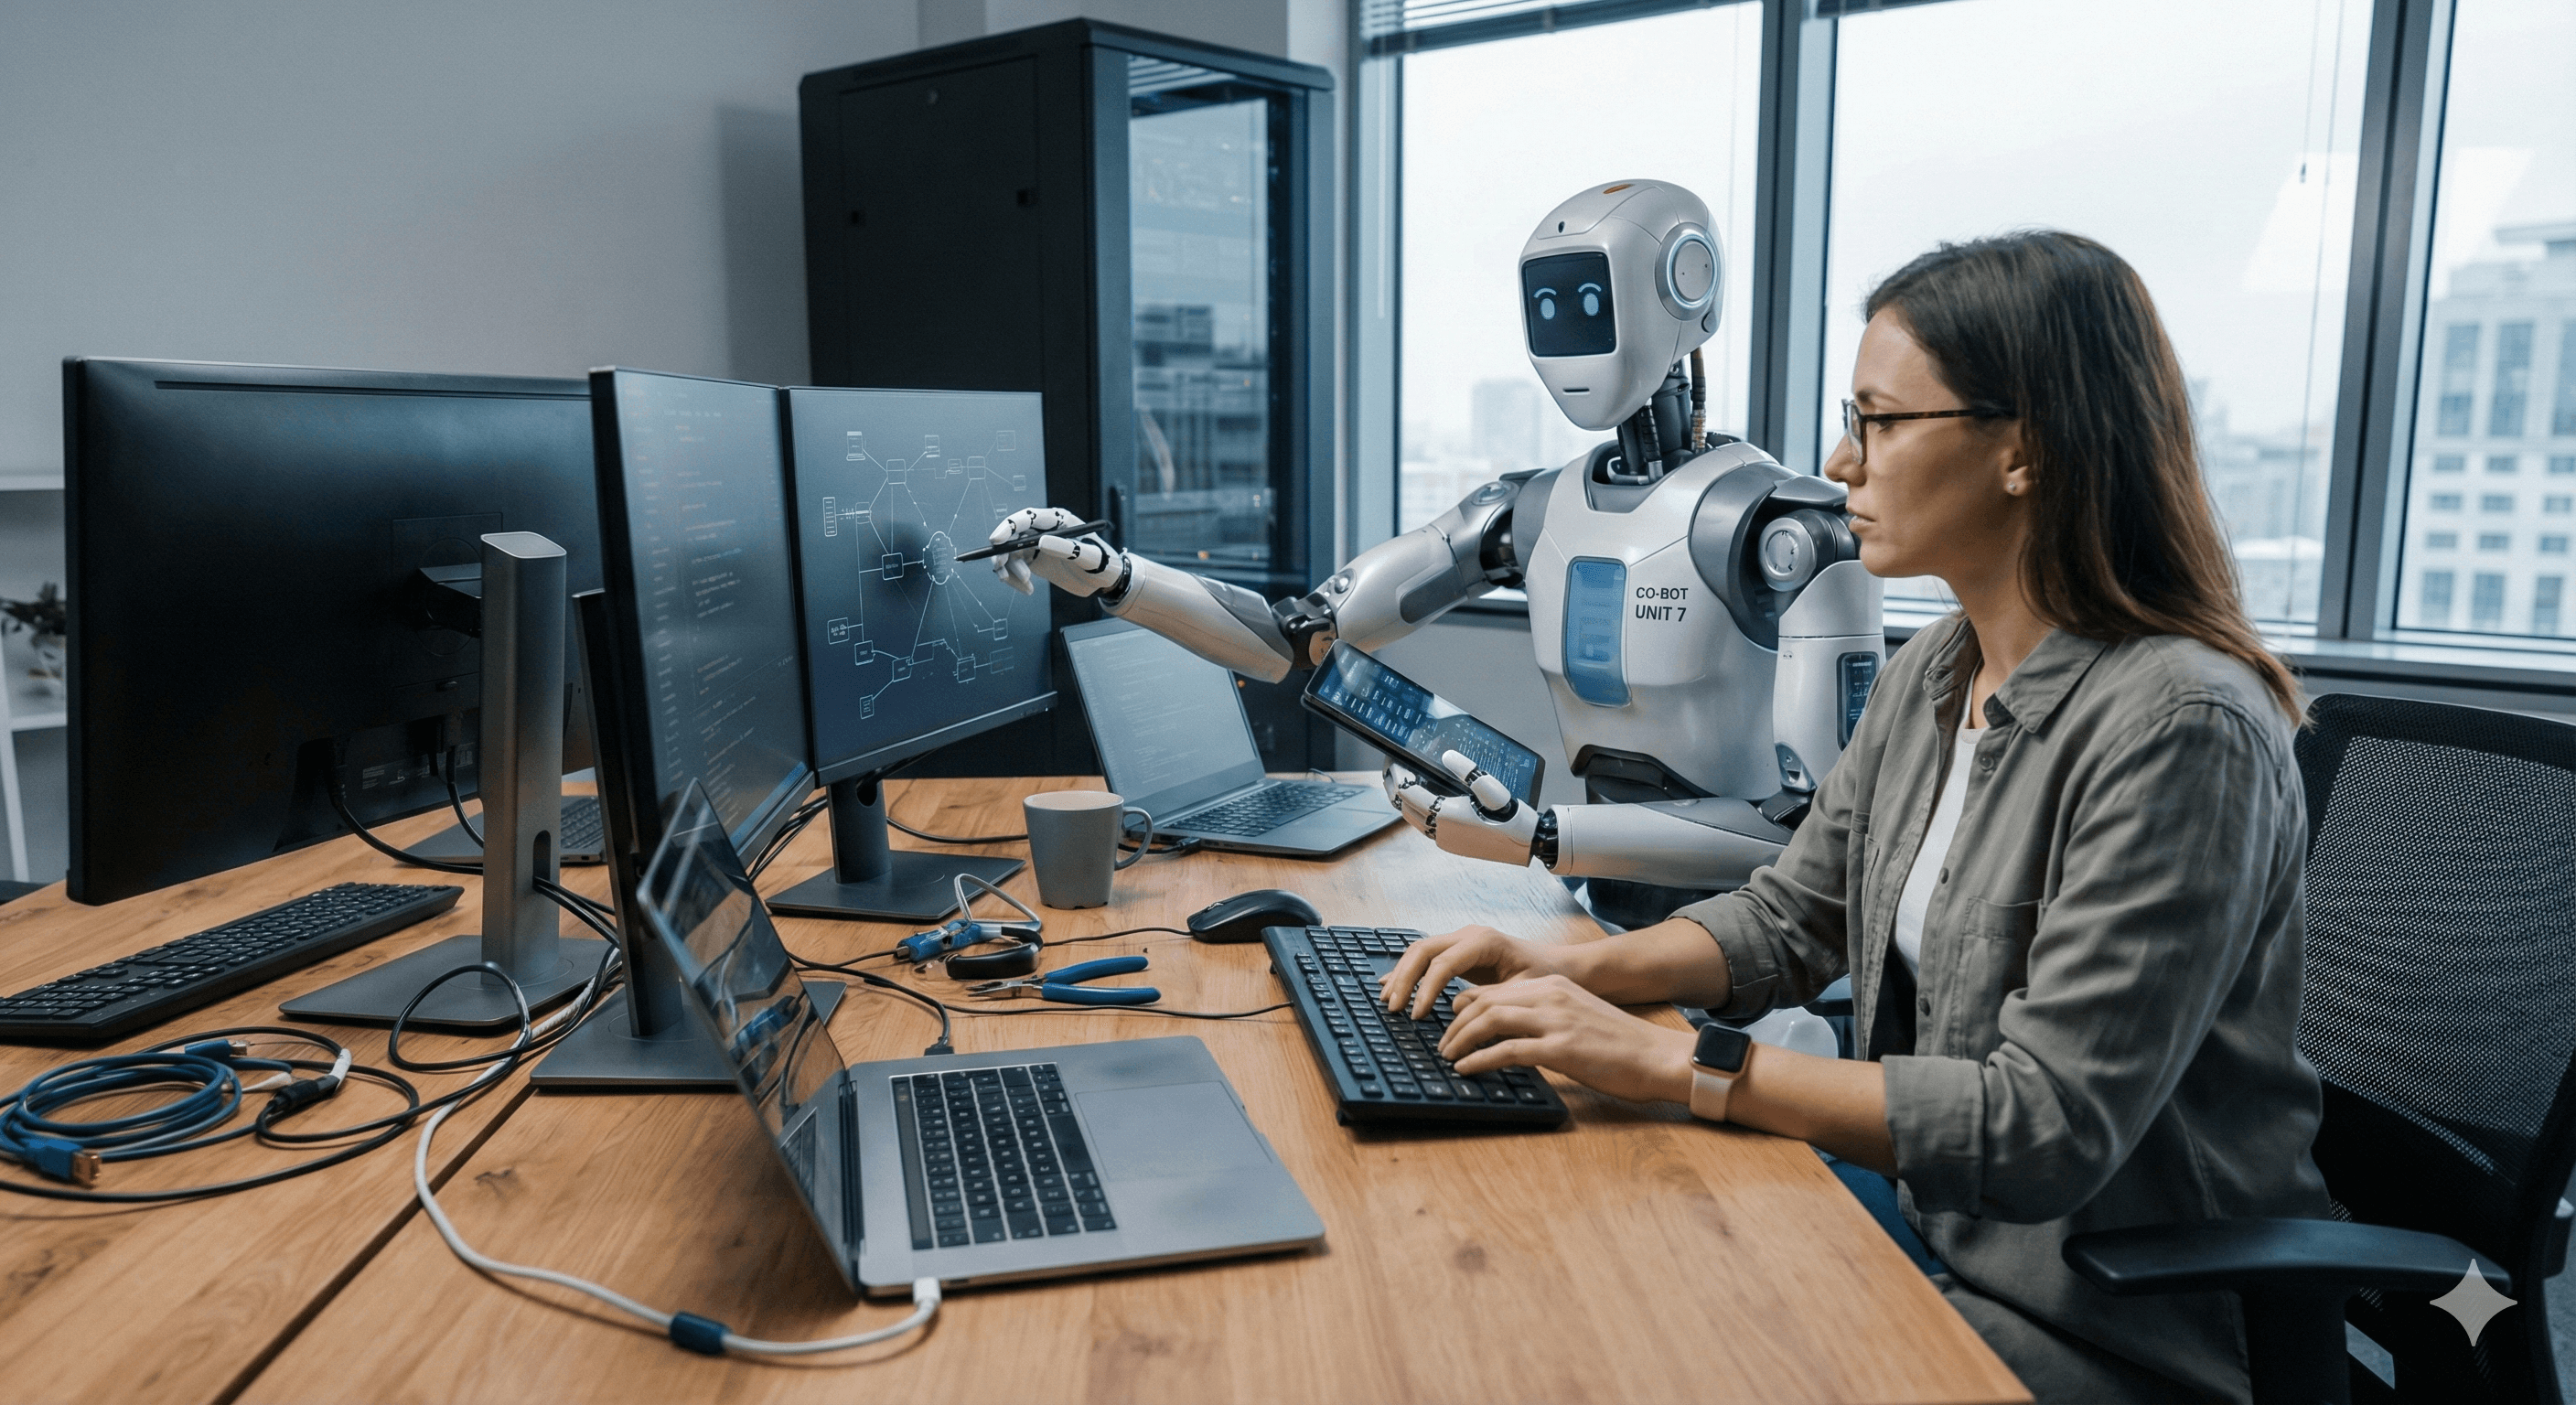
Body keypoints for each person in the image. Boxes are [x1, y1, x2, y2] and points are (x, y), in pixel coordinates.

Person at [1379, 230, 2327, 1403]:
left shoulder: (2179, 729)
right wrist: (1577, 971)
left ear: (2022, 449)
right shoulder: (1940, 667)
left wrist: (1679, 1064)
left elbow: (2041, 1126)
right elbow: (1792, 917)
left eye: (1878, 422)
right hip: (1937, 1226)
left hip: (2100, 1319)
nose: (1839, 462)